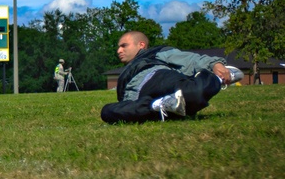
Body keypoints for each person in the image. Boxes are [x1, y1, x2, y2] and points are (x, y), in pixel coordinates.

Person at [100, 31, 244, 123]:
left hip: (156, 78)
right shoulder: (125, 76)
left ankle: (220, 78)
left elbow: (190, 59)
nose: (119, 50)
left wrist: (215, 65)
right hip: (140, 102)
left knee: (191, 93)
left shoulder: (155, 54)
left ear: (141, 45)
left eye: (123, 46)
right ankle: (160, 105)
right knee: (107, 111)